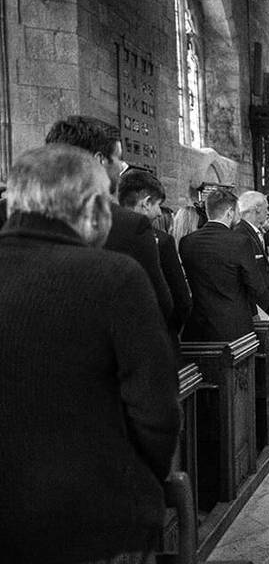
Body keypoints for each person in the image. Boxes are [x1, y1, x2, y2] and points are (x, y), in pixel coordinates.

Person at [0, 145, 179, 563]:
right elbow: (157, 410)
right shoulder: (113, 277)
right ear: (96, 208)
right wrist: (135, 478)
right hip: (93, 520)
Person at [45, 115, 173, 322]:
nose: (121, 167)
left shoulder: (9, 215)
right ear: (99, 161)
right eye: (118, 158)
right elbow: (158, 305)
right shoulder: (129, 225)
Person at [179, 189, 269, 342]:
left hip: (199, 328)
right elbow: (257, 287)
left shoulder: (187, 242)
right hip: (234, 328)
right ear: (229, 212)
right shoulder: (239, 242)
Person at [118, 170, 193, 346]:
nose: (160, 213)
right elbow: (181, 300)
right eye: (158, 205)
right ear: (146, 203)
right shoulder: (162, 241)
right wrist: (169, 330)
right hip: (156, 338)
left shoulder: (102, 234)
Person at [235, 190, 269, 313]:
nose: (268, 213)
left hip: (262, 302)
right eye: (266, 208)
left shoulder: (255, 231)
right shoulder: (241, 232)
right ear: (257, 208)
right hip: (253, 304)